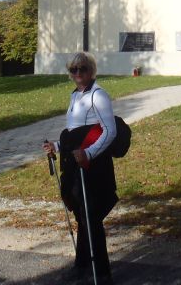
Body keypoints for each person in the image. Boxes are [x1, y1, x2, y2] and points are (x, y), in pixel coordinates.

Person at [43, 52, 118, 284]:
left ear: (91, 70)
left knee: (91, 217)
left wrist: (88, 153)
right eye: (73, 70)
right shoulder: (75, 96)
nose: (77, 74)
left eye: (82, 69)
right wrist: (56, 146)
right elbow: (74, 133)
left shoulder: (99, 95)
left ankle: (102, 272)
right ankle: (83, 263)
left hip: (93, 166)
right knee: (82, 216)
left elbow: (110, 131)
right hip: (74, 164)